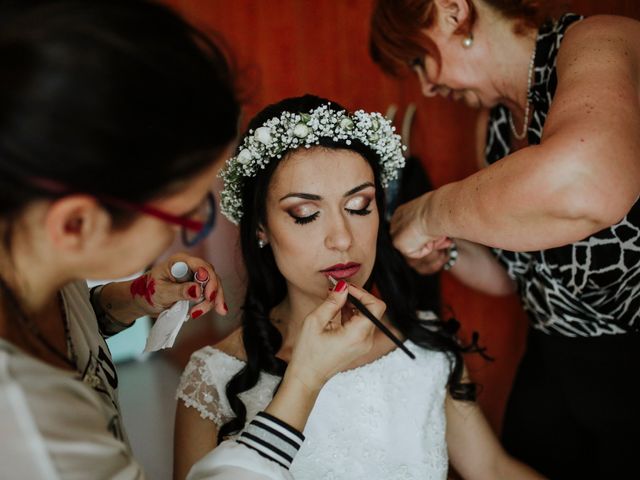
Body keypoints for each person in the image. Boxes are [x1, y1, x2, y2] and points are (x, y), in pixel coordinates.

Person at [0, 2, 378, 479]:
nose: (341, 236)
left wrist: (128, 301)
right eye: (185, 213)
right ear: (76, 225)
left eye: (361, 206)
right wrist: (304, 381)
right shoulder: (29, 428)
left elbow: (70, 331)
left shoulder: (30, 257)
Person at [173, 94, 545, 480]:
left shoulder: (424, 341)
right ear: (260, 227)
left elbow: (492, 468)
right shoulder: (212, 377)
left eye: (359, 206)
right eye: (306, 214)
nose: (342, 239)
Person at [370, 0, 640, 478]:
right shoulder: (494, 127)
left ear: (453, 11)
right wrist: (448, 251)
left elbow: (588, 184)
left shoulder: (599, 42)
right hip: (551, 367)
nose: (427, 86)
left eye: (418, 61)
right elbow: (517, 275)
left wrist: (433, 212)